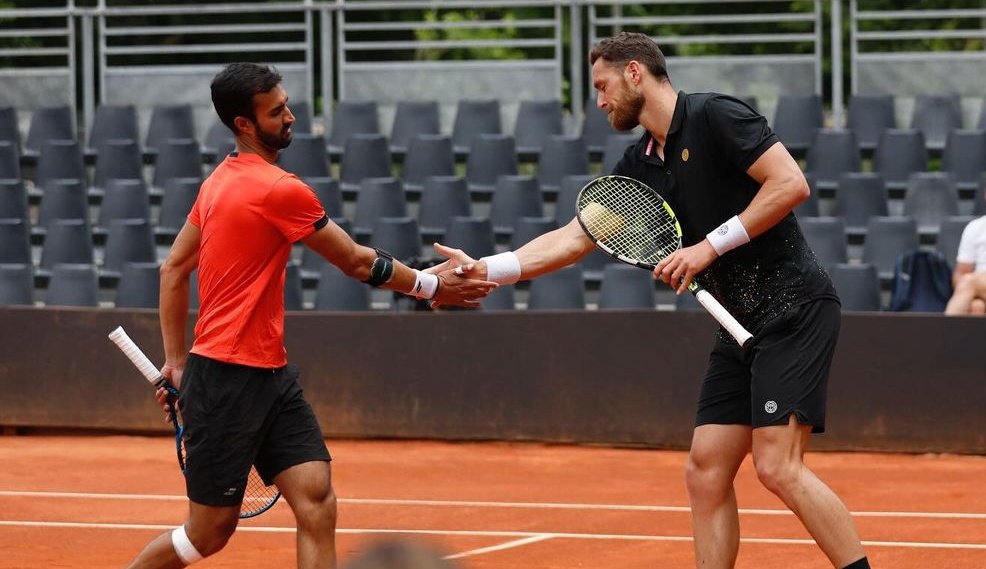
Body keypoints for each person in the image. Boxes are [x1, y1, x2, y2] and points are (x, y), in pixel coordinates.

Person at [436, 32, 870, 569]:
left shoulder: (715, 116)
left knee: (777, 467)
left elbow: (789, 183)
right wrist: (487, 269)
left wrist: (707, 248)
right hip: (734, 324)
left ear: (635, 73)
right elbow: (575, 237)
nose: (598, 101)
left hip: (793, 307)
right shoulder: (638, 163)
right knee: (706, 470)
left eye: (602, 86)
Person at [125, 63, 496, 569]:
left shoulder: (218, 182)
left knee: (316, 500)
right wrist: (432, 287)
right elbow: (356, 262)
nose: (291, 117)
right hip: (227, 379)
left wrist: (176, 362)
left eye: (286, 104)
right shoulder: (277, 189)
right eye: (276, 111)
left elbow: (173, 269)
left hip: (268, 376)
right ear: (244, 125)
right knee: (208, 534)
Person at [945, 214, 986, 315]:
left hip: (976, 282)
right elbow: (961, 273)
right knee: (976, 307)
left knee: (968, 281)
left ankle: (943, 329)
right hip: (979, 288)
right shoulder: (975, 227)